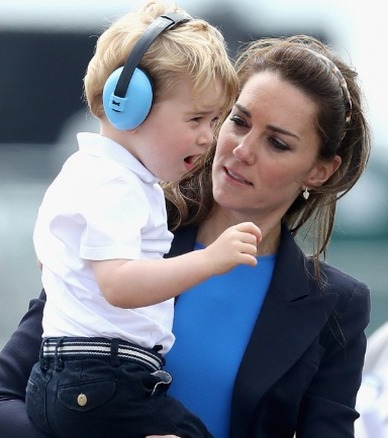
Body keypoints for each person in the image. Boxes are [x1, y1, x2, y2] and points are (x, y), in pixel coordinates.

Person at [0, 31, 371, 438]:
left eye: (277, 143)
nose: (242, 149)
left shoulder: (338, 305)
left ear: (320, 171)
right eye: (238, 120)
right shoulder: (127, 232)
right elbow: (3, 400)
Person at [24, 2, 260, 437]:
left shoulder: (87, 173)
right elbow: (119, 285)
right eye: (196, 119)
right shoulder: (116, 185)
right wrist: (211, 260)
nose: (209, 137)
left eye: (214, 120)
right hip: (101, 380)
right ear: (127, 107)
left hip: (70, 380)